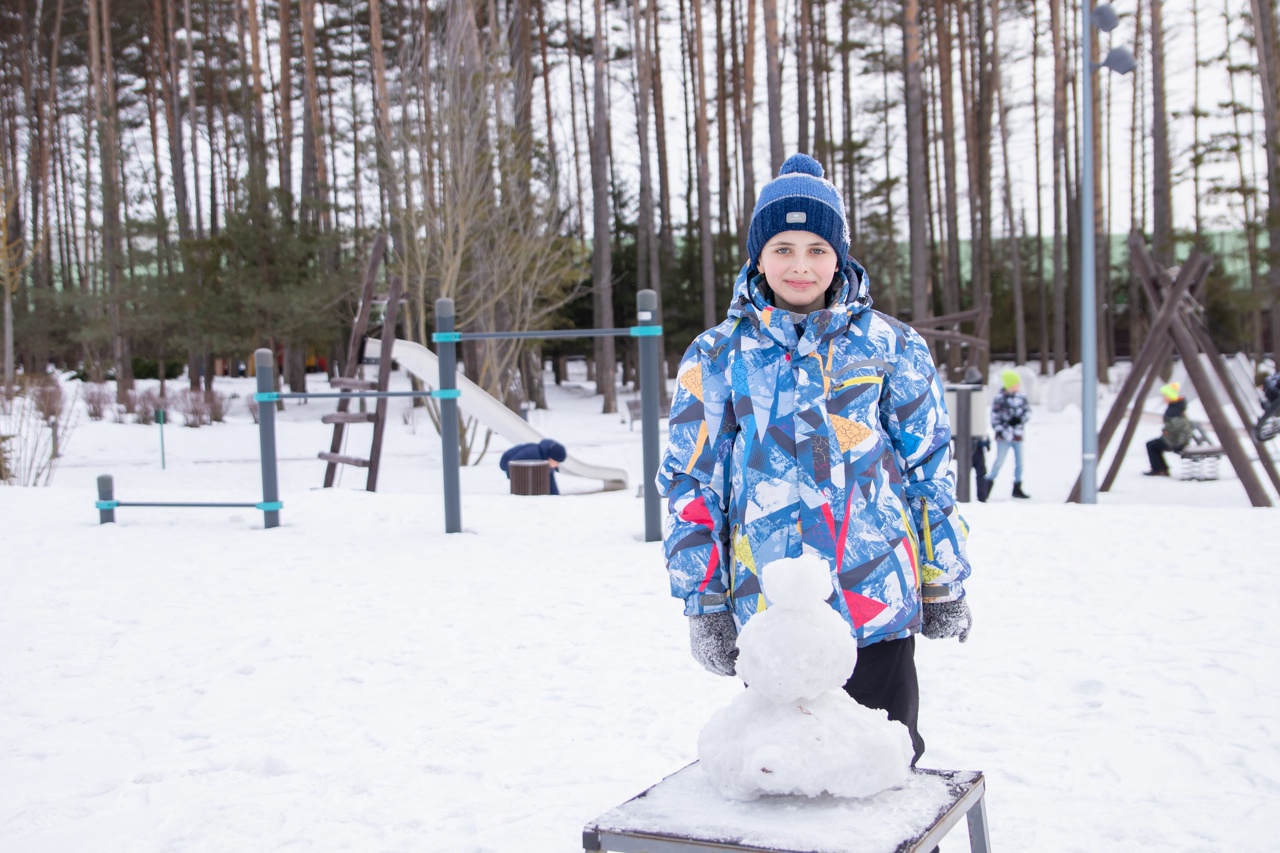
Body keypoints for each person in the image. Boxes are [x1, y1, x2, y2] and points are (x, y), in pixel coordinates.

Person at [657, 153, 973, 766]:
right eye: (782, 248)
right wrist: (705, 600)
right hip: (772, 609)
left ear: (840, 256)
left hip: (873, 596)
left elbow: (927, 469)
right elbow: (693, 483)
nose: (800, 265)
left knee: (882, 767)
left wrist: (942, 578)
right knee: (782, 772)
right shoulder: (719, 354)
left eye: (816, 249)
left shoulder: (891, 345)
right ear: (758, 256)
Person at [982, 370, 1031, 500]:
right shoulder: (1000, 399)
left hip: (1017, 436)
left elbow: (1027, 412)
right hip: (1003, 437)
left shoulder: (1021, 398)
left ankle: (1017, 487)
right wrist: (1002, 428)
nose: (1017, 386)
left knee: (1020, 462)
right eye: (1015, 384)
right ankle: (987, 487)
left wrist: (1020, 420)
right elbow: (994, 417)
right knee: (999, 461)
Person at [1145, 382, 1193, 477]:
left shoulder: (1174, 410)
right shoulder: (1176, 407)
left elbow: (1183, 429)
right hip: (1172, 439)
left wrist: (1180, 443)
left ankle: (1159, 469)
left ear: (1170, 396)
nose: (1163, 398)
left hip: (1173, 441)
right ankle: (1161, 468)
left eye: (1165, 396)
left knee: (1151, 446)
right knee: (1152, 444)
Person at [499, 438, 567, 494]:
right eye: (557, 462)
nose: (557, 465)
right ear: (550, 458)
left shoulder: (545, 460)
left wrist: (555, 497)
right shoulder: (533, 454)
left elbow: (551, 482)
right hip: (507, 462)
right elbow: (513, 464)